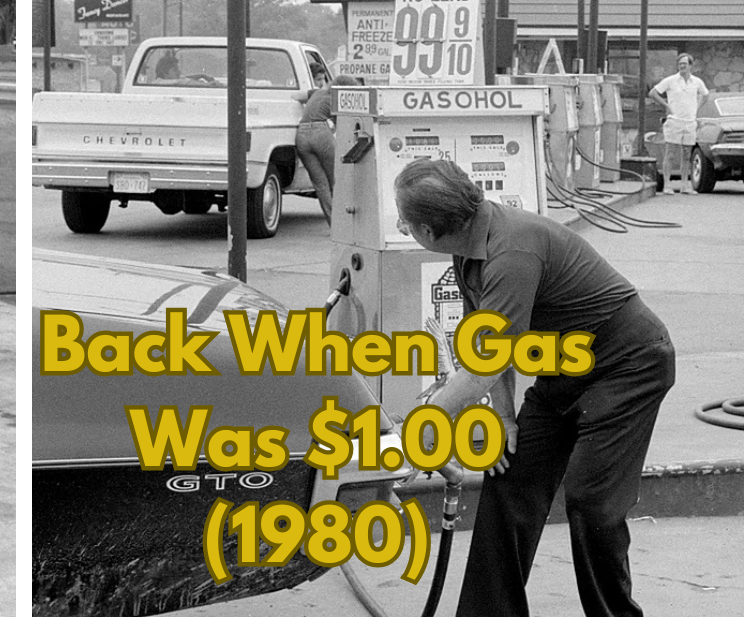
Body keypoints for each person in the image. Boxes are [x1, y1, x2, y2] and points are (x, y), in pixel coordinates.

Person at [394, 158, 675, 617]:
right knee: (510, 477)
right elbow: (485, 345)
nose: (405, 229)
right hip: (563, 371)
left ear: (425, 229)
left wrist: (426, 421)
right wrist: (504, 417)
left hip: (628, 365)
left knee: (592, 502)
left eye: (405, 221)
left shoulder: (512, 252)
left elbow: (487, 364)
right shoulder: (468, 247)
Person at [293, 67, 360, 225]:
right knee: (335, 179)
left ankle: (333, 222)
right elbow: (344, 127)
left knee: (320, 184)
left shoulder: (316, 93)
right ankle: (343, 224)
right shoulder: (337, 99)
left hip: (301, 134)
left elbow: (296, 96)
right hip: (320, 133)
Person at [648, 53, 709, 194]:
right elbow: (653, 92)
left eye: (685, 64)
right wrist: (666, 105)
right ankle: (667, 185)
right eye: (680, 64)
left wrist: (696, 109)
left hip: (689, 122)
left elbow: (705, 95)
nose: (682, 66)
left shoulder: (697, 82)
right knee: (670, 153)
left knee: (687, 154)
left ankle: (684, 185)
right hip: (674, 121)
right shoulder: (671, 80)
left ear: (690, 66)